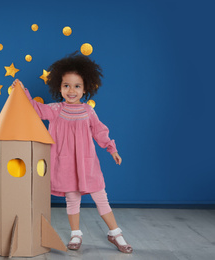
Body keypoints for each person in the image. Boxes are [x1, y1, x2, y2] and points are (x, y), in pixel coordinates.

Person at [11, 52, 132, 254]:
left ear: (85, 89)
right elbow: (35, 109)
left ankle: (115, 232)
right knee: (72, 198)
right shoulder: (56, 110)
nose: (71, 90)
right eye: (66, 85)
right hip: (65, 164)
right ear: (59, 87)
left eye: (77, 86)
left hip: (87, 164)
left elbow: (100, 131)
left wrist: (112, 148)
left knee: (100, 197)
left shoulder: (88, 111)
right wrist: (23, 91)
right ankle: (75, 233)